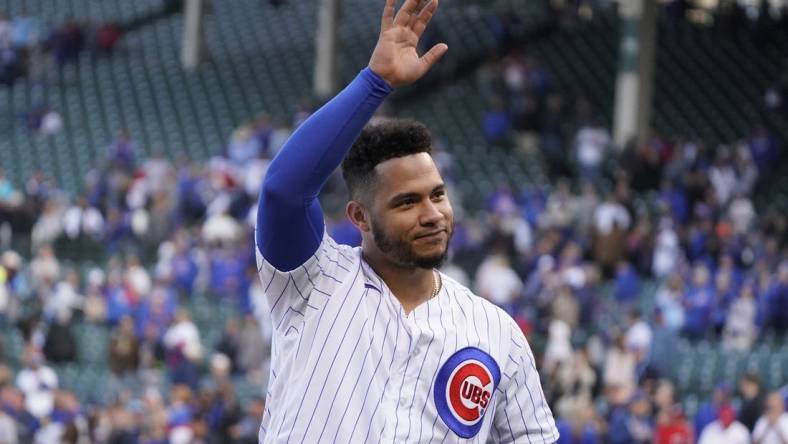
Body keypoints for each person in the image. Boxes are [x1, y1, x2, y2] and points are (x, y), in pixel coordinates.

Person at [253, 0, 558, 442]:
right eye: (406, 202)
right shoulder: (315, 281)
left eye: (437, 195)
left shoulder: (495, 330)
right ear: (359, 216)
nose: (433, 214)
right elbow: (283, 191)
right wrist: (374, 83)